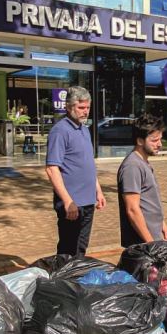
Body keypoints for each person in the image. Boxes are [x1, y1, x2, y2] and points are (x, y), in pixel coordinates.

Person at [45, 87, 106, 255]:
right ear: (69, 107)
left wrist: (98, 191)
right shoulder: (60, 131)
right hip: (72, 203)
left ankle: (75, 277)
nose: (85, 112)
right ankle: (62, 279)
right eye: (81, 108)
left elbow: (87, 164)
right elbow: (52, 168)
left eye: (87, 107)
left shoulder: (84, 129)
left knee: (81, 247)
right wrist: (67, 201)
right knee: (68, 249)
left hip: (87, 201)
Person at [117, 114, 167, 247]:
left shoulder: (143, 162)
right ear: (140, 141)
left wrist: (162, 224)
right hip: (142, 243)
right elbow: (132, 209)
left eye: (160, 139)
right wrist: (151, 244)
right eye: (154, 140)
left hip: (152, 238)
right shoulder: (132, 166)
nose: (159, 144)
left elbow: (149, 201)